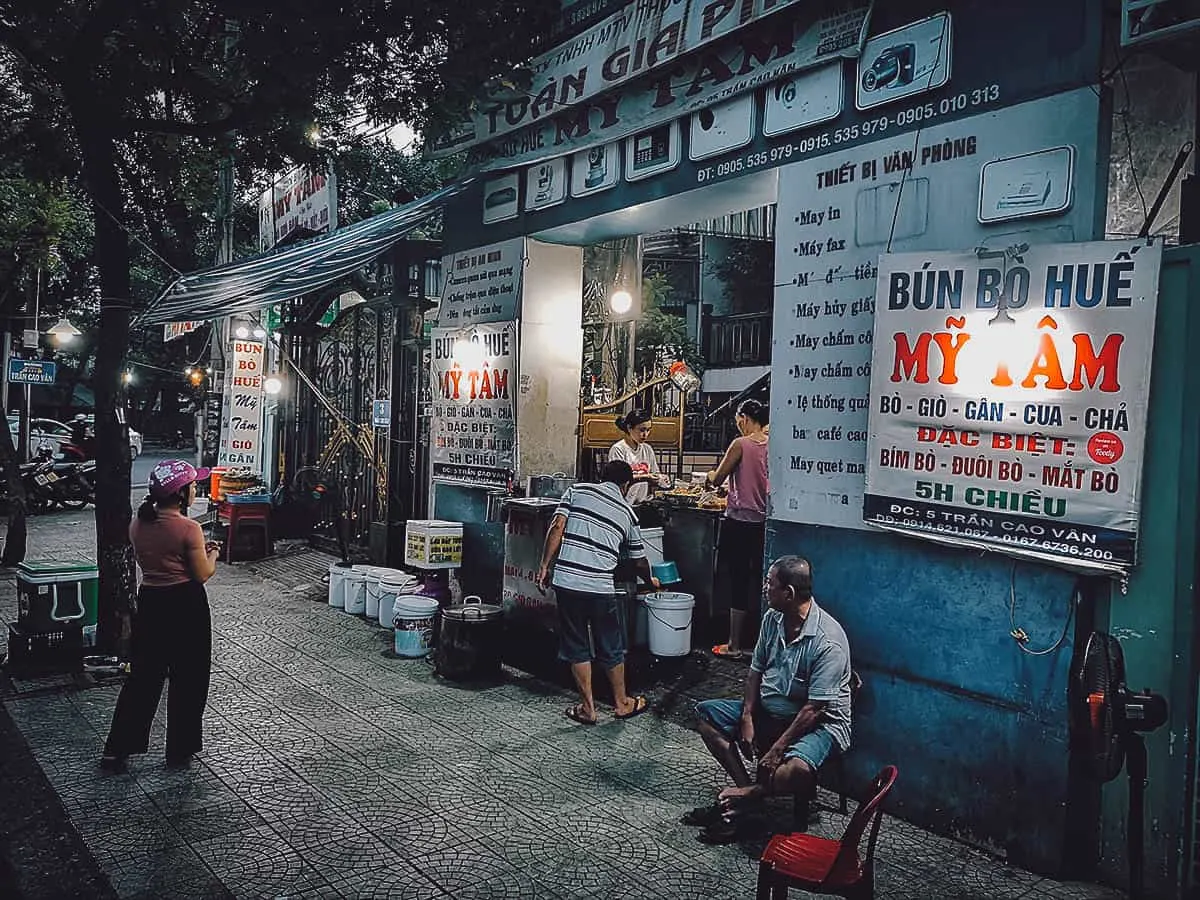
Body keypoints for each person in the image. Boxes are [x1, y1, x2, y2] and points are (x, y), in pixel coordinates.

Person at [688, 556, 852, 844]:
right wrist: (748, 716)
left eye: (770, 584)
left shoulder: (828, 642)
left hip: (820, 724)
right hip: (771, 710)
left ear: (788, 593)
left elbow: (814, 710)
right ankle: (746, 796)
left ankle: (748, 797)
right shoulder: (773, 618)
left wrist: (777, 749)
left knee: (799, 770)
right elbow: (755, 671)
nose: (765, 588)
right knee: (706, 716)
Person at [100, 459, 220, 772]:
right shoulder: (188, 527)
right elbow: (202, 573)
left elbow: (162, 555)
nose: (196, 489)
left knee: (143, 678)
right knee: (189, 677)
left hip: (151, 602)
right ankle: (180, 751)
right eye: (193, 485)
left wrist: (194, 550)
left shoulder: (138, 523)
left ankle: (117, 749)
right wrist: (213, 553)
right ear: (181, 493)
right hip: (185, 605)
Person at [536, 459, 660, 725]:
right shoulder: (628, 513)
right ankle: (622, 703)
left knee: (576, 643)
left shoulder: (577, 491)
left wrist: (545, 565)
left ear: (601, 476)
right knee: (611, 644)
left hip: (567, 581)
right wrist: (650, 580)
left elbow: (557, 527)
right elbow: (638, 560)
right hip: (600, 587)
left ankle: (588, 708)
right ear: (626, 485)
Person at [706, 398, 769, 658]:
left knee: (739, 581)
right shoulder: (773, 444)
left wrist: (710, 478)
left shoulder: (740, 444)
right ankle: (763, 643)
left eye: (737, 421)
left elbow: (718, 477)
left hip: (740, 523)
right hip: (765, 523)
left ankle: (733, 644)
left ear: (743, 418)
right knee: (763, 581)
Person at [608, 409, 669, 505]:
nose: (645, 434)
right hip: (623, 503)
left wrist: (661, 478)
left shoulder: (647, 449)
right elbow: (619, 480)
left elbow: (655, 472)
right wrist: (646, 477)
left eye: (648, 430)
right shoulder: (618, 449)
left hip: (643, 502)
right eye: (642, 430)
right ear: (629, 428)